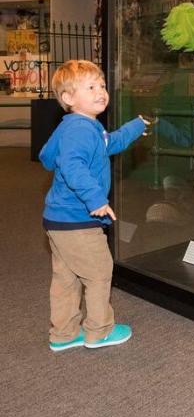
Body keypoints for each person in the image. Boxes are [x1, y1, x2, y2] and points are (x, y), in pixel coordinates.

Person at [39, 59, 150, 352]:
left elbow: (55, 154)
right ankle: (99, 330)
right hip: (78, 221)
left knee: (66, 277)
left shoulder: (78, 127)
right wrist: (96, 200)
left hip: (58, 220)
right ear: (68, 98)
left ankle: (63, 334)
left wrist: (134, 128)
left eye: (101, 85)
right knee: (99, 272)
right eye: (90, 87)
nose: (101, 91)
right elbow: (73, 166)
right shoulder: (80, 130)